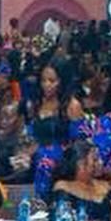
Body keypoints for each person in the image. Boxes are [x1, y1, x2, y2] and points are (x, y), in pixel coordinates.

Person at [24, 63, 85, 199]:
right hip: (37, 161)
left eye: (52, 81)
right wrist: (25, 153)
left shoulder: (71, 105)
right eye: (43, 80)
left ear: (61, 81)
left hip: (63, 164)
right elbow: (31, 136)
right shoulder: (35, 103)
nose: (47, 85)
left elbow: (80, 141)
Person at [50, 138, 111, 221]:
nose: (100, 163)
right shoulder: (63, 187)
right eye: (95, 160)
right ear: (81, 164)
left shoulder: (105, 186)